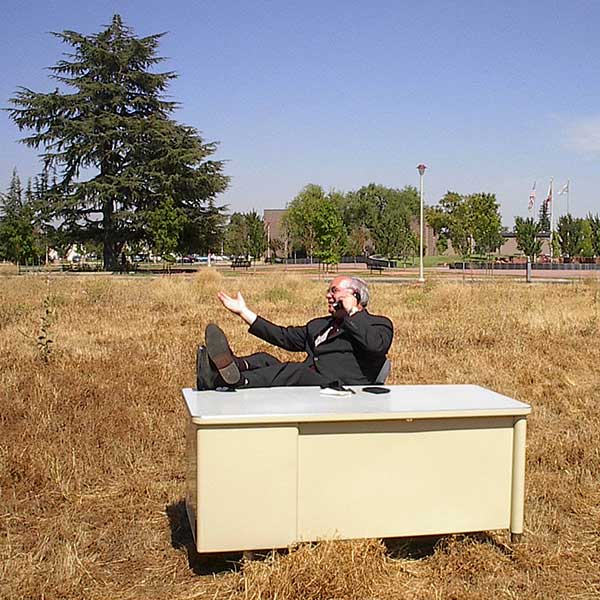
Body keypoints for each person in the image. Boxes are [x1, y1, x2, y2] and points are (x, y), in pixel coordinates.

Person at [196, 275, 393, 390]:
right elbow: (283, 336)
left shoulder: (379, 324)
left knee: (294, 371)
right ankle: (225, 369)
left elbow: (375, 346)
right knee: (265, 359)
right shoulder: (320, 325)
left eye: (333, 291)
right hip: (313, 382)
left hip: (340, 388)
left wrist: (352, 313)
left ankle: (237, 380)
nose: (327, 295)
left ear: (354, 295)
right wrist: (244, 312)